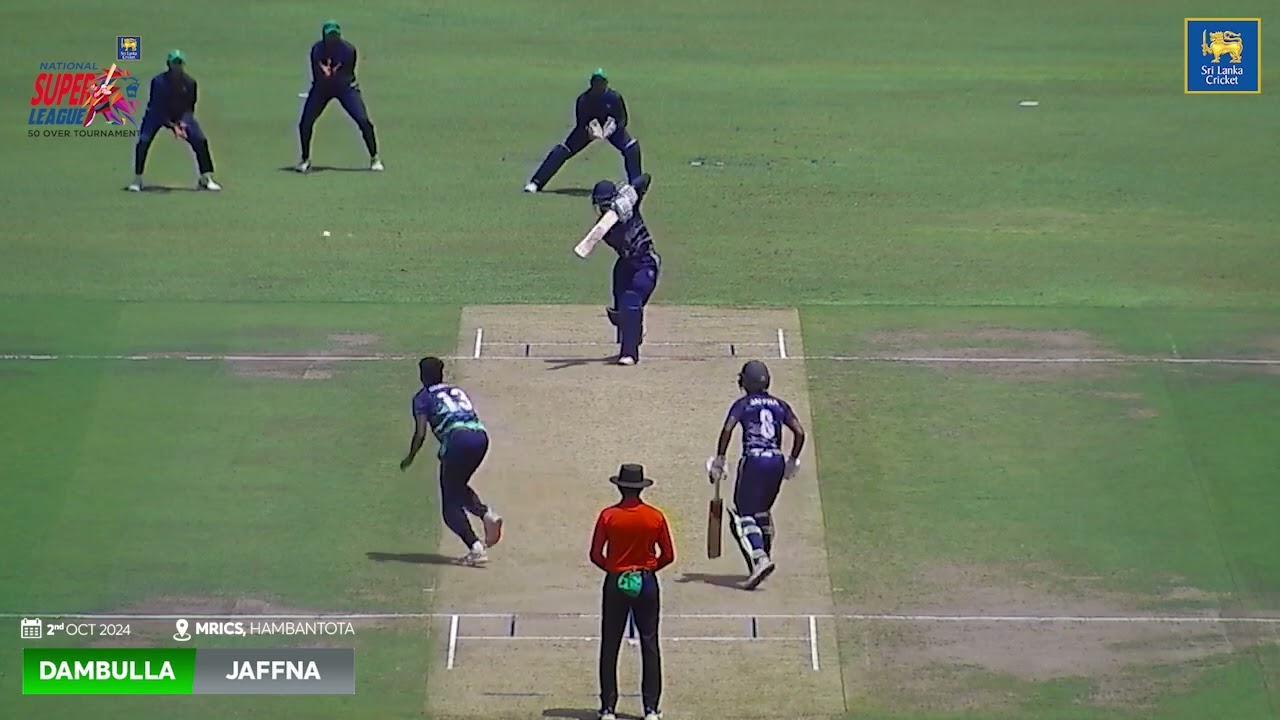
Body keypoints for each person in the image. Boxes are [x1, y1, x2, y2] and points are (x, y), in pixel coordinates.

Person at [706, 360, 806, 589]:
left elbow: (728, 429)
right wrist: (792, 460)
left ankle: (760, 559)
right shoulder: (780, 405)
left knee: (743, 514)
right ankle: (763, 557)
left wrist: (720, 459)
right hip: (777, 461)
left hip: (753, 460)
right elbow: (800, 432)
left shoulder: (743, 404)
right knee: (762, 512)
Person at [589, 463, 674, 720]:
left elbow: (596, 554)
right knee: (650, 643)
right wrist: (648, 570)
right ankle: (650, 709)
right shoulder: (655, 516)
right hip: (645, 580)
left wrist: (615, 570)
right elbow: (668, 555)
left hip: (616, 580)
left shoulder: (608, 516)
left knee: (610, 643)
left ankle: (608, 708)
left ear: (620, 487)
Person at [400, 357, 502, 566]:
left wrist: (410, 457)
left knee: (450, 507)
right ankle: (486, 515)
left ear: (422, 375)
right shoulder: (456, 391)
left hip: (458, 441)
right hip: (480, 437)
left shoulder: (422, 398)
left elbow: (420, 434)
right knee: (457, 485)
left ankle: (476, 548)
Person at [525, 68, 643, 193]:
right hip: (588, 130)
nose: (598, 85)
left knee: (632, 147)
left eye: (600, 82)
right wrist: (590, 130)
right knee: (562, 150)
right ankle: (536, 183)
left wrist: (614, 127)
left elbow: (623, 119)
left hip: (611, 129)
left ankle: (635, 186)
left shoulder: (614, 98)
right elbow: (581, 122)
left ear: (606, 83)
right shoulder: (583, 99)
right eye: (595, 82)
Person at [295, 20, 383, 173]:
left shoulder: (348, 50)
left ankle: (374, 158)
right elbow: (318, 75)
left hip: (345, 87)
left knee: (363, 120)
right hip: (322, 88)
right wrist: (325, 74)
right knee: (305, 123)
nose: (332, 39)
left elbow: (345, 73)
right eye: (330, 36)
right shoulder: (317, 50)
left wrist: (333, 73)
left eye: (335, 35)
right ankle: (305, 159)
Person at [591, 173, 659, 365]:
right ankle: (633, 332)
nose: (603, 208)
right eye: (600, 204)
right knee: (619, 312)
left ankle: (629, 353)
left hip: (645, 262)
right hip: (624, 265)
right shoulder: (604, 228)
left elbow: (645, 178)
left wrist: (630, 193)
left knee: (630, 300)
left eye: (606, 203)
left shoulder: (629, 205)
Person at [129, 50, 220, 192]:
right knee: (143, 141)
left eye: (179, 63)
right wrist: (173, 126)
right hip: (156, 115)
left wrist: (183, 123)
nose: (177, 66)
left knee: (200, 140)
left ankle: (205, 178)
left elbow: (190, 106)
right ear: (169, 64)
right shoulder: (158, 82)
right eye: (174, 63)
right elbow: (157, 107)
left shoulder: (190, 83)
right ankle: (137, 179)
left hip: (181, 115)